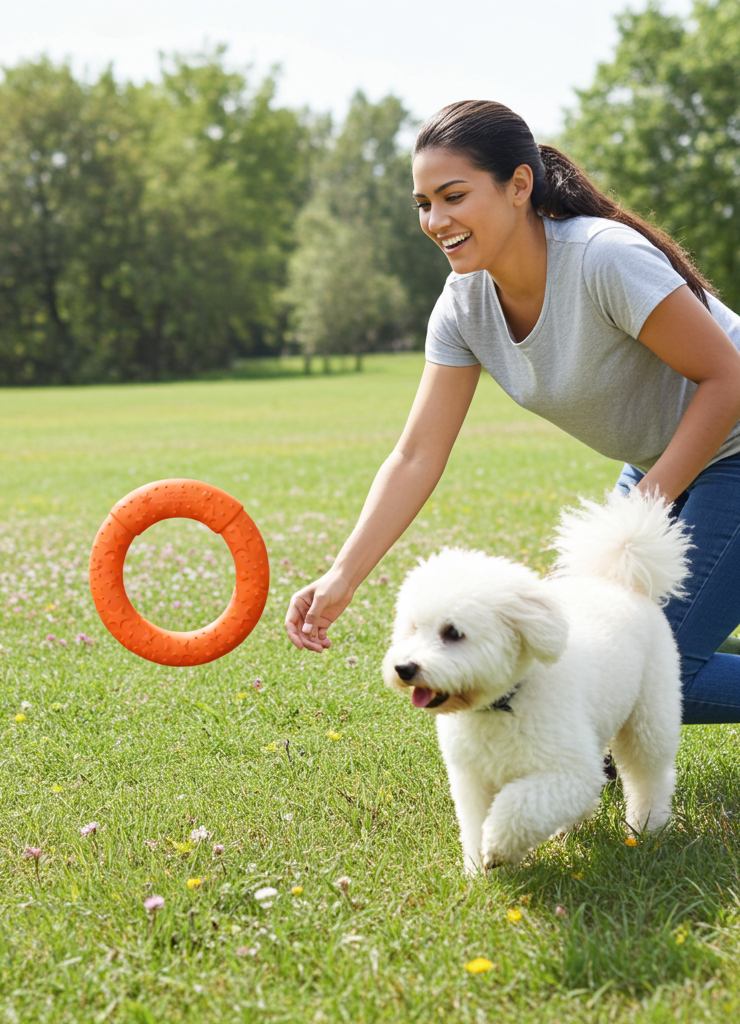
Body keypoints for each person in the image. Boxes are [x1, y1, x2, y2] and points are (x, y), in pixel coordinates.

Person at [284, 100, 740, 725]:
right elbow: (417, 454)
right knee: (584, 645)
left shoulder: (602, 257)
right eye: (424, 203)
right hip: (663, 454)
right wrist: (342, 575)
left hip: (733, 443)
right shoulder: (463, 305)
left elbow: (728, 377)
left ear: (519, 186)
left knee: (660, 678)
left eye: (454, 196)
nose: (436, 220)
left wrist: (642, 509)